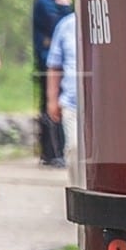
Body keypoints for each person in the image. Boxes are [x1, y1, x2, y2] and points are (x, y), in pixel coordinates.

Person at [32, 0, 72, 167]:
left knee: (56, 104)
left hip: (58, 62)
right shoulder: (45, 3)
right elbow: (61, 26)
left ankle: (52, 151)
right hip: (48, 62)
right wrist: (65, 8)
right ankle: (52, 152)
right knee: (51, 105)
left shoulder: (55, 2)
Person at [45, 13, 80, 187]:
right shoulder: (66, 25)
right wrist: (52, 100)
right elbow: (54, 65)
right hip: (72, 102)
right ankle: (77, 190)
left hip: (103, 108)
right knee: (73, 148)